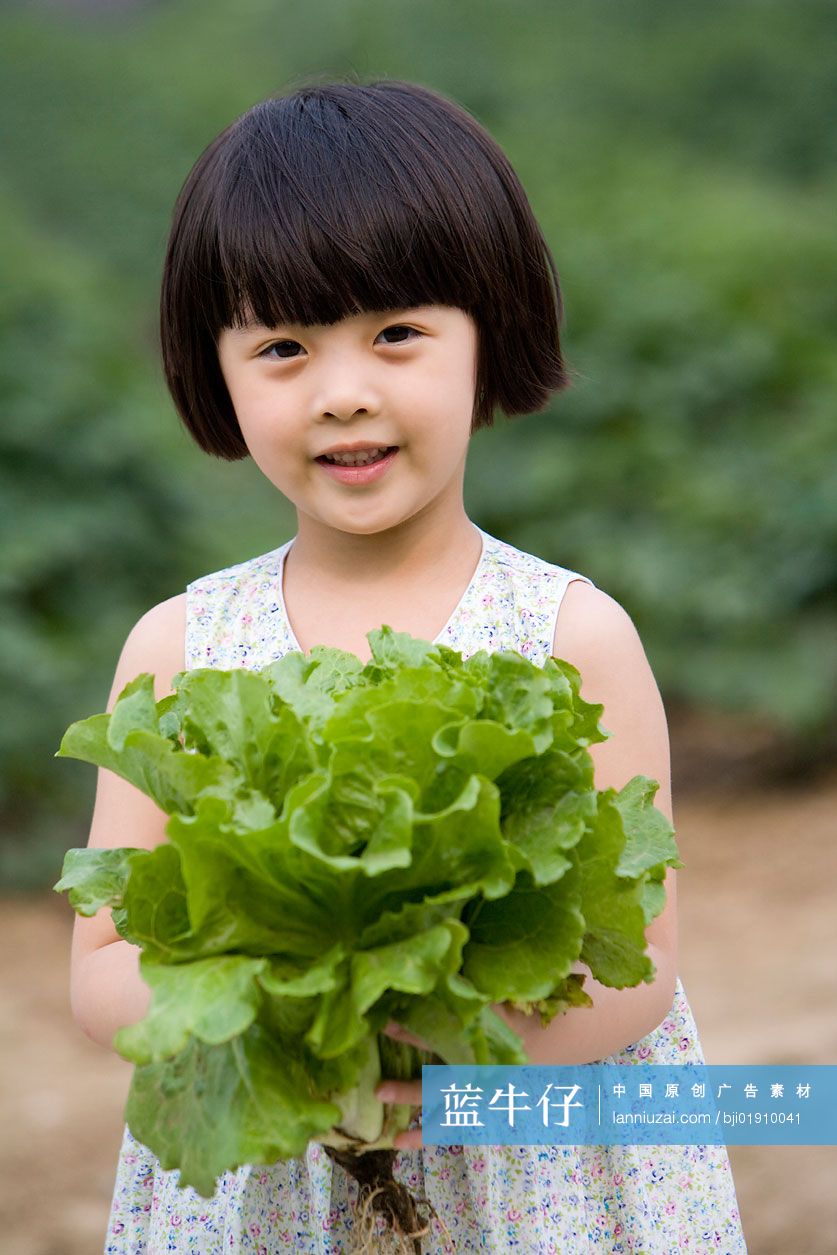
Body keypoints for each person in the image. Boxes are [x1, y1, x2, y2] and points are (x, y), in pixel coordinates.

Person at [69, 77, 747, 1254]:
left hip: (540, 1173)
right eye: (281, 345)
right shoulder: (178, 647)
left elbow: (634, 968)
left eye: (396, 333)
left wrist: (433, 1071)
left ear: (491, 332)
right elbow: (102, 956)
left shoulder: (574, 636)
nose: (343, 393)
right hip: (275, 1162)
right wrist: (292, 1038)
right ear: (213, 369)